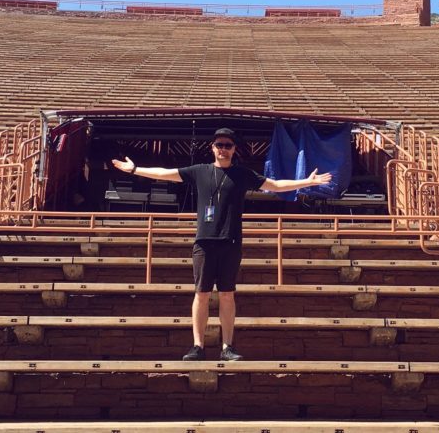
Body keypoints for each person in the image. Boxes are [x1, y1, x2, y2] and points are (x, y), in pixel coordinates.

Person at [111, 127, 332, 361]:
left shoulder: (243, 174)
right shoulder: (199, 171)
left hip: (231, 241)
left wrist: (306, 182)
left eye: (228, 145)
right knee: (202, 293)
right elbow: (165, 173)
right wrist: (135, 169)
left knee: (227, 294)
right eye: (220, 145)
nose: (223, 149)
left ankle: (228, 347)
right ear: (213, 148)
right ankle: (198, 346)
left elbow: (275, 186)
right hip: (204, 242)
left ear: (234, 149)